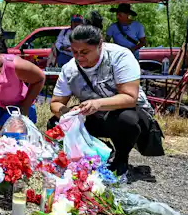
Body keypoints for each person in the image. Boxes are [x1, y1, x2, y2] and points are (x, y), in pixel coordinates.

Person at [50, 25, 156, 179]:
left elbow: (130, 97)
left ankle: (121, 159)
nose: (79, 57)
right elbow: (55, 103)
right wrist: (67, 113)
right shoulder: (69, 69)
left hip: (131, 116)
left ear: (100, 45)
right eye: (74, 52)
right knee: (56, 122)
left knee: (125, 119)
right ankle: (99, 151)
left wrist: (97, 103)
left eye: (85, 52)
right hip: (95, 116)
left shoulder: (120, 57)